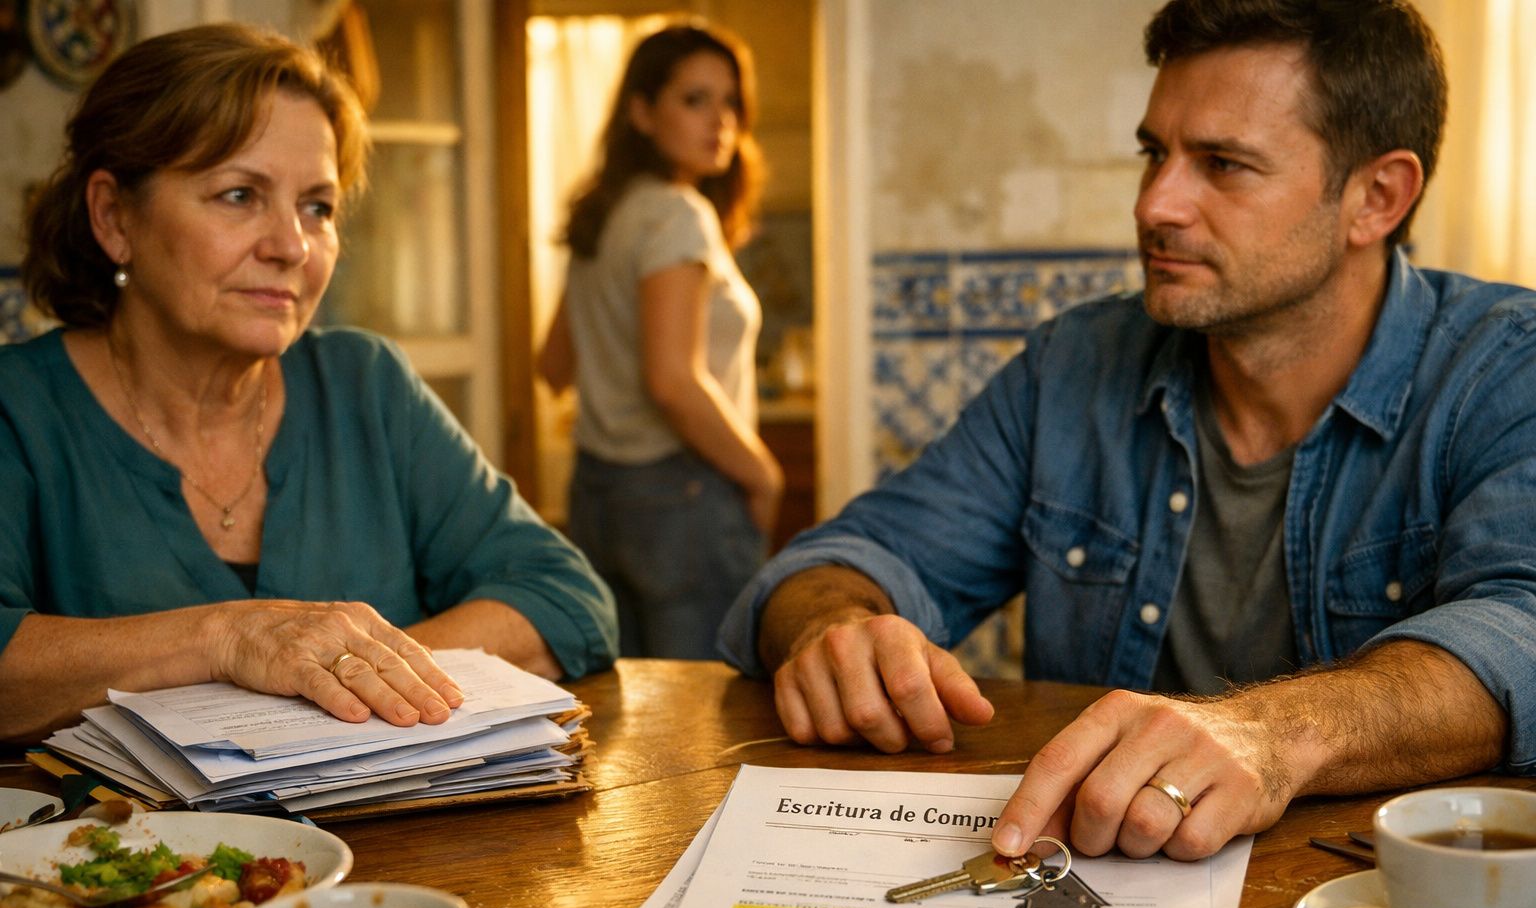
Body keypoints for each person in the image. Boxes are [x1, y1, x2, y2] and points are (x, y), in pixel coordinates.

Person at [720, 0, 1536, 862]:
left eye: (1222, 165)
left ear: (1378, 197)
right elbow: (845, 559)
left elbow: (1522, 627)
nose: (1156, 204)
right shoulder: (1074, 363)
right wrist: (828, 630)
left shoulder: (1503, 366)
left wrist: (1271, 735)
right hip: (1100, 885)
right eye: (1156, 154)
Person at [0, 23, 618, 745]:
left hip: (416, 850)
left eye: (317, 208)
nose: (291, 246)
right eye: (238, 195)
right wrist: (227, 640)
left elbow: (565, 598)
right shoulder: (19, 408)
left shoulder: (366, 384)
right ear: (113, 217)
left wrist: (345, 672)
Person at [538, 22, 783, 659]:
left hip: (598, 493)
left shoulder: (603, 213)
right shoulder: (679, 214)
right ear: (642, 113)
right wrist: (762, 475)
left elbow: (553, 365)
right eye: (694, 99)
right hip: (684, 498)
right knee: (704, 719)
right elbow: (672, 382)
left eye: (730, 102)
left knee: (630, 717)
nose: (721, 120)